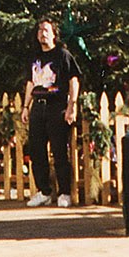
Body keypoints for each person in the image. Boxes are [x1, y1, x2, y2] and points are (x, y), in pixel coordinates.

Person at [21, 17, 81, 207]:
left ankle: (64, 193)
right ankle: (44, 192)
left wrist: (72, 105)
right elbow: (31, 82)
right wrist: (25, 107)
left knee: (59, 151)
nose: (42, 33)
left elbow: (74, 81)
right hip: (38, 107)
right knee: (37, 151)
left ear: (54, 34)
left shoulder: (63, 55)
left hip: (57, 107)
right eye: (39, 30)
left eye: (46, 30)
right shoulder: (34, 57)